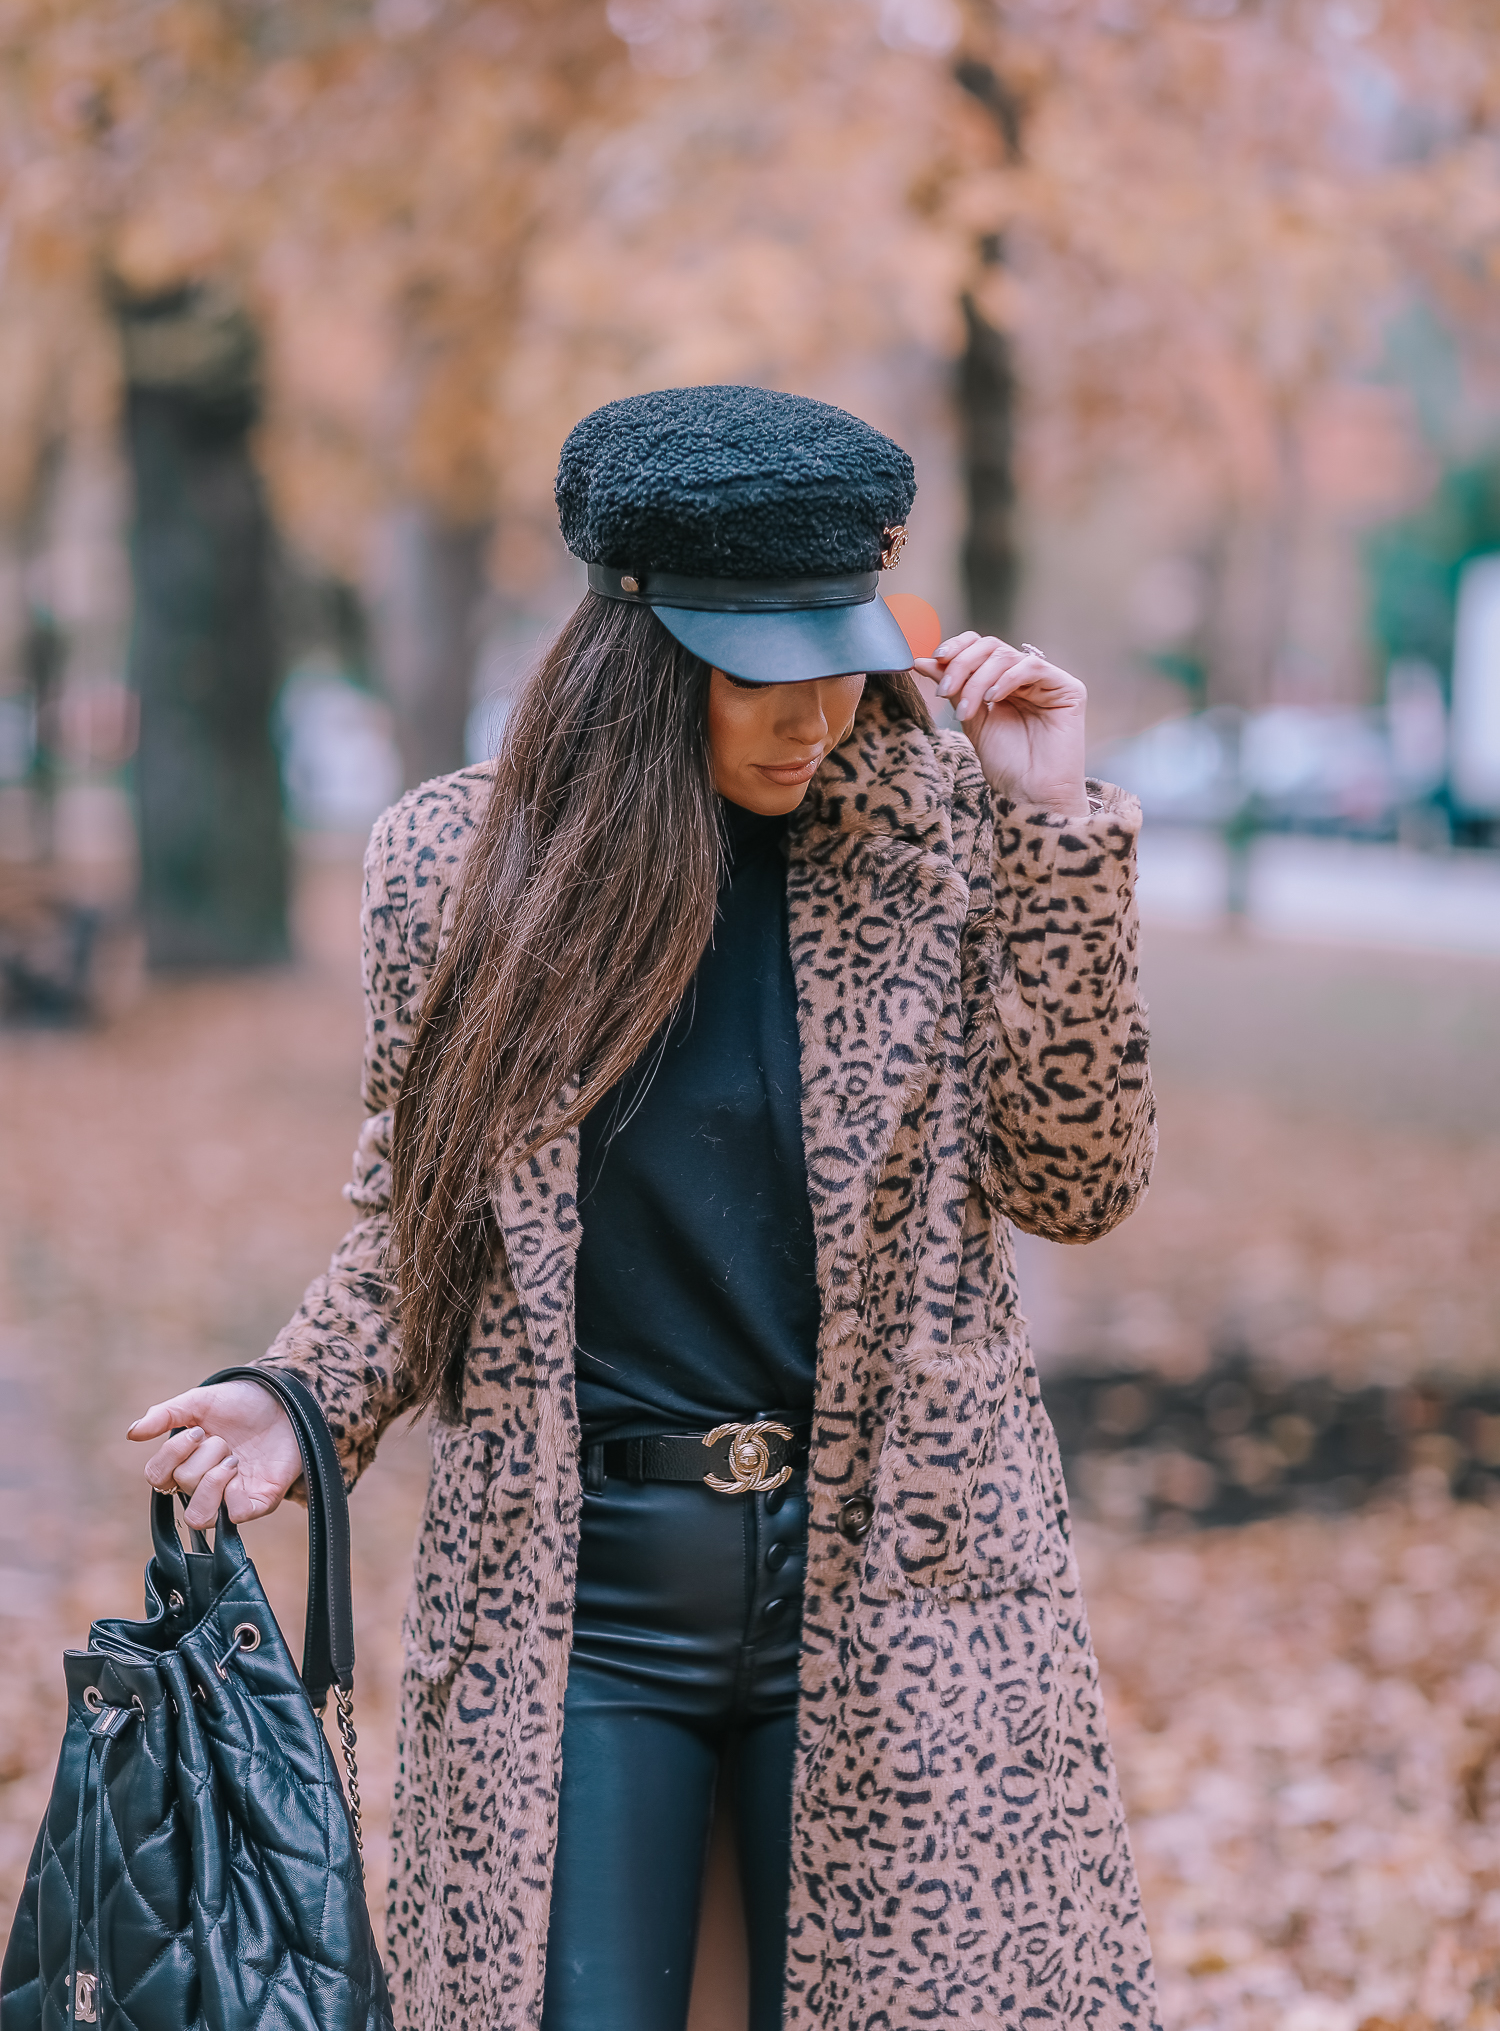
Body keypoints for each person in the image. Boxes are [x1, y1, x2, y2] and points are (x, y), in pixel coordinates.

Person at [127, 386, 1160, 2031]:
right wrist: (296, 1390)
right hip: (578, 1596)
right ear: (640, 647)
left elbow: (1078, 1179)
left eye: (843, 653)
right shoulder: (462, 869)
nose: (813, 711)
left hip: (899, 1579)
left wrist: (1050, 830)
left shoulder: (946, 841)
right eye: (760, 668)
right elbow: (422, 1218)